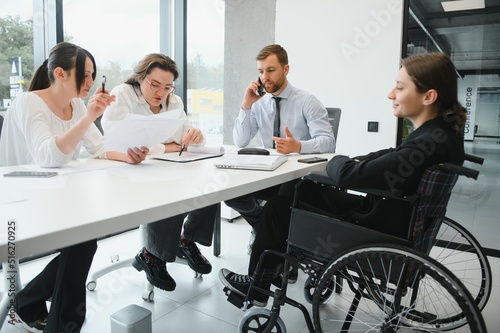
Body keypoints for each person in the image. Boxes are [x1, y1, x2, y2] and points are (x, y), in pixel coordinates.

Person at [219, 52, 467, 307]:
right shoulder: (439, 135)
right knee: (299, 192)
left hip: (376, 230)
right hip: (388, 218)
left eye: (400, 87)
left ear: (429, 96)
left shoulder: (429, 142)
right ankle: (273, 265)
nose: (391, 94)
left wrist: (337, 160)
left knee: (278, 209)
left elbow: (350, 173)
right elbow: (391, 156)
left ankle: (258, 286)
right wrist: (356, 162)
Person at [0, 42, 148, 332]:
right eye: (86, 75)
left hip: (55, 197)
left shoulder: (76, 105)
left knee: (85, 239)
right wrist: (89, 116)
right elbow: (47, 157)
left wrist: (128, 155)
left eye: (94, 76)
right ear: (60, 73)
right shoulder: (29, 102)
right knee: (83, 243)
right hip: (19, 203)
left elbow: (98, 147)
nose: (91, 83)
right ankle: (53, 318)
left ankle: (31, 303)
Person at [101, 53, 216, 292]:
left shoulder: (173, 102)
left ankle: (186, 239)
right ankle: (151, 255)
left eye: (167, 87)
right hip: (123, 172)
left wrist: (197, 135)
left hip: (158, 168)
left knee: (212, 182)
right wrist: (167, 146)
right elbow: (115, 141)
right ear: (141, 78)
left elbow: (187, 142)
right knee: (169, 190)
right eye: (154, 84)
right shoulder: (123, 94)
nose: (160, 93)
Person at [225, 44, 336, 248]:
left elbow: (328, 141)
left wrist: (298, 146)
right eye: (260, 71)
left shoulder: (307, 101)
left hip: (298, 176)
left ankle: (278, 246)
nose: (265, 77)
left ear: (286, 70)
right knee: (232, 195)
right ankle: (264, 229)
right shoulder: (259, 102)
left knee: (280, 203)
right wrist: (246, 104)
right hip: (269, 172)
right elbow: (240, 141)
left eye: (270, 70)